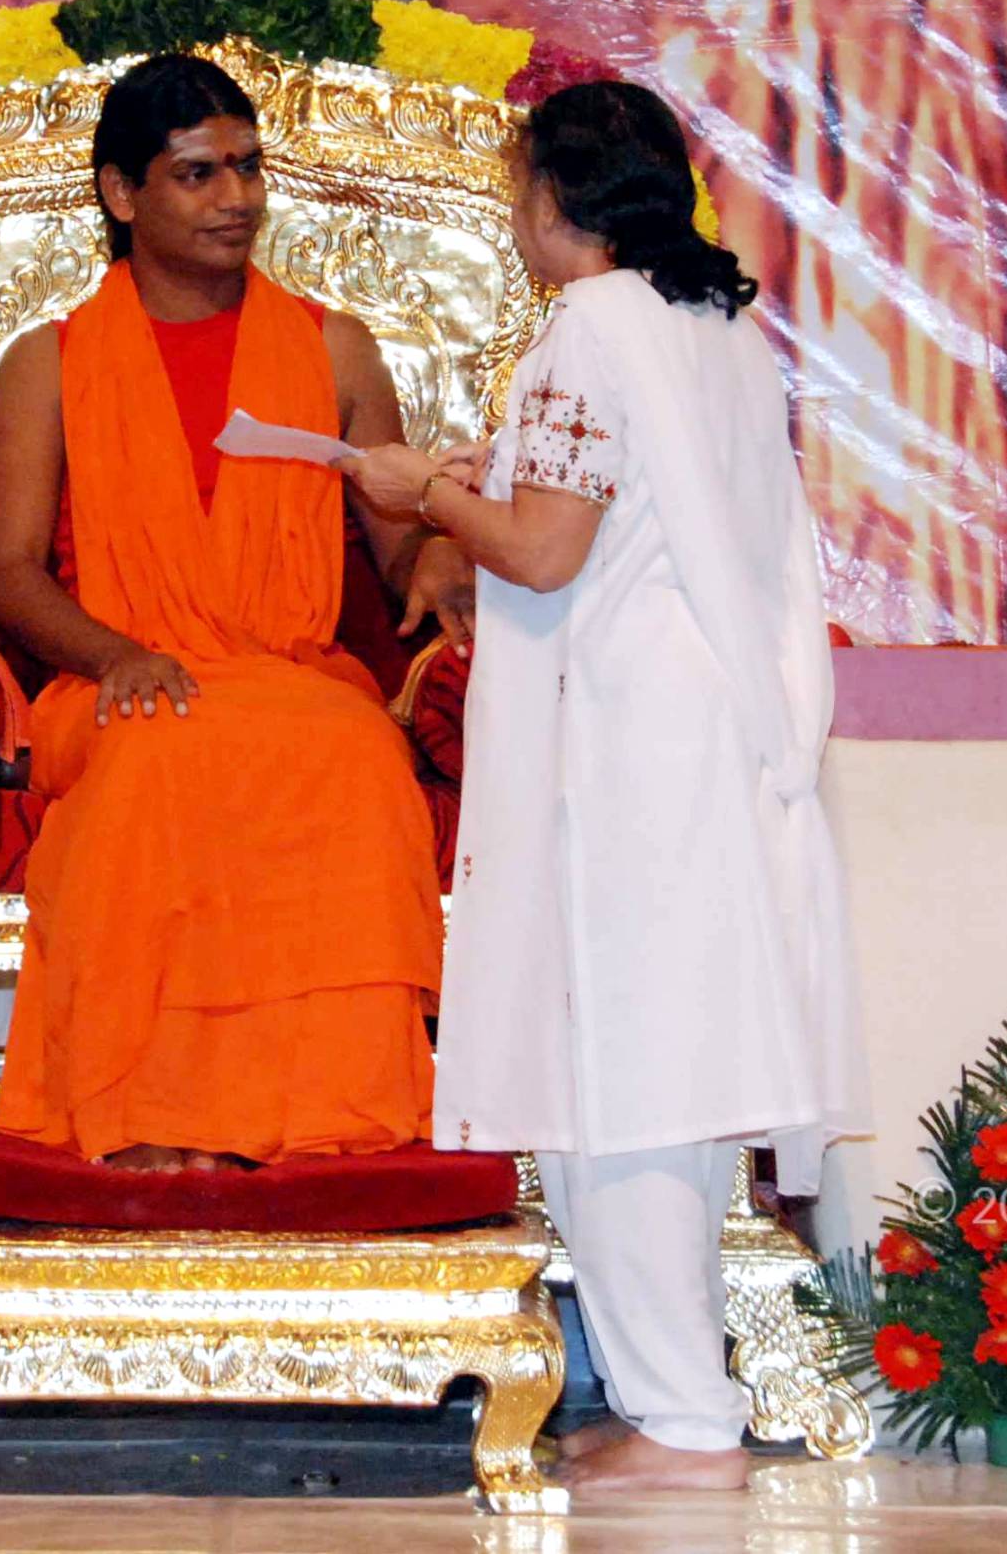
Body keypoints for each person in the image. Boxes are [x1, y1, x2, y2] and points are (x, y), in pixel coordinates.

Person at [353, 79, 862, 1493]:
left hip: (625, 738)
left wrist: (420, 493)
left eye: (517, 186)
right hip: (699, 726)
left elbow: (543, 549)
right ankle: (675, 1397)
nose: (513, 214)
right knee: (670, 1065)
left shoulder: (587, 325)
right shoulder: (718, 328)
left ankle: (683, 1418)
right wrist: (485, 481)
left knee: (623, 1071)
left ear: (554, 198)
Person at [0, 51, 470, 1171]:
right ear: (121, 193)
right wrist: (117, 655)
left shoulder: (332, 345)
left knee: (355, 752)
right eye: (198, 173)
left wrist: (437, 556)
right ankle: (150, 1113)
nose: (235, 196)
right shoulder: (47, 362)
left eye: (248, 167)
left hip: (288, 673)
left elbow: (395, 533)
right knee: (159, 752)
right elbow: (6, 571)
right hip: (118, 677)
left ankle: (326, 1106)